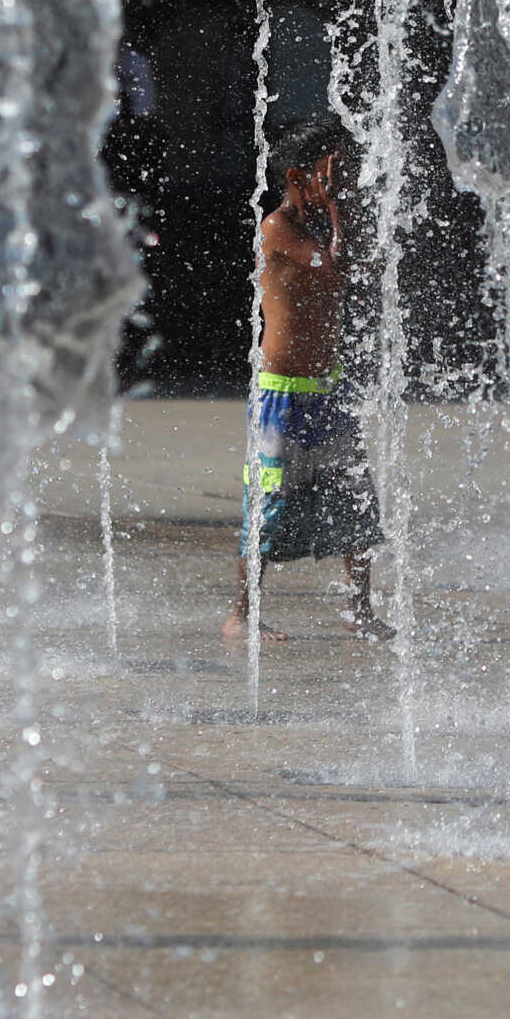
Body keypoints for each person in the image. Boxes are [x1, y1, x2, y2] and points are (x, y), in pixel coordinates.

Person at [225, 115, 394, 643]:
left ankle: (358, 608)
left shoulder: (315, 225)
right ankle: (242, 614)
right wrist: (341, 215)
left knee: (357, 498)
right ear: (299, 178)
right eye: (334, 173)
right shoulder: (278, 227)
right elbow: (335, 267)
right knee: (266, 506)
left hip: (329, 390)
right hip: (282, 398)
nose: (344, 182)